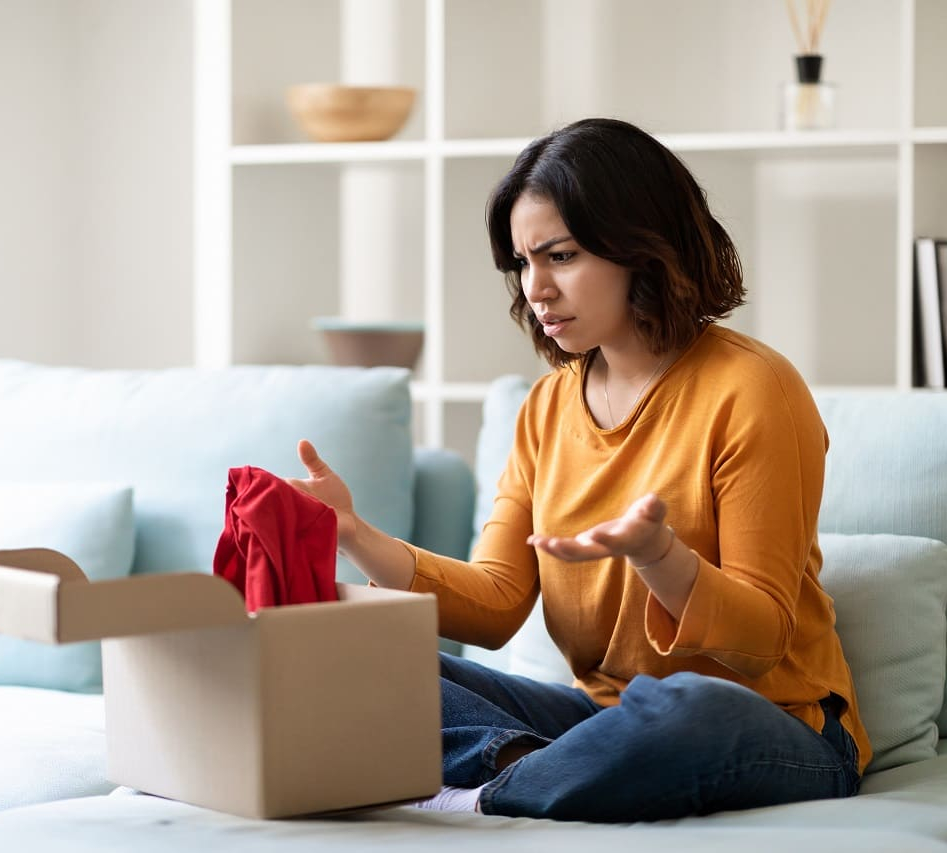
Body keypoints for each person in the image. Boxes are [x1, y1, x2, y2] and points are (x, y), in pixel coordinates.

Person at [288, 117, 869, 823]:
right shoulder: (545, 407)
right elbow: (499, 602)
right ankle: (523, 774)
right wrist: (353, 533)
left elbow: (761, 639)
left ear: (641, 245)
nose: (536, 288)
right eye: (522, 263)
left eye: (559, 256)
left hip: (776, 723)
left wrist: (660, 558)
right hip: (599, 721)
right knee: (358, 654)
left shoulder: (754, 389)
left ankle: (483, 791)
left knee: (686, 704)